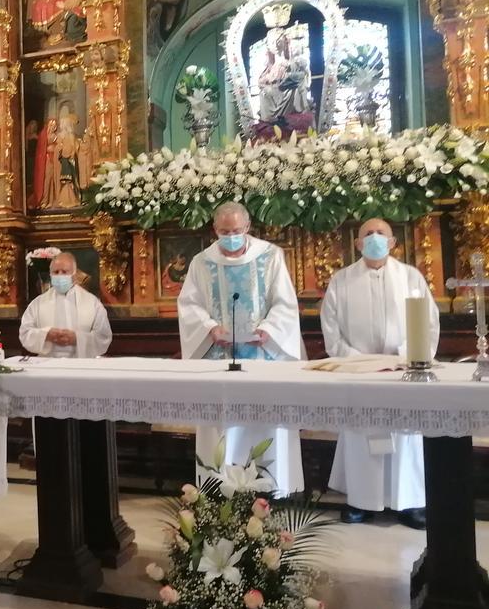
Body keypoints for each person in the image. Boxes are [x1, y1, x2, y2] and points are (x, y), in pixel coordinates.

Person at [177, 201, 304, 495]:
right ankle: (219, 488)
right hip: (217, 358)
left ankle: (269, 488)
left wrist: (269, 330)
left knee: (264, 421)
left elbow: (285, 302)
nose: (231, 236)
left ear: (247, 228)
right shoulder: (201, 262)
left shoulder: (270, 256)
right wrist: (210, 328)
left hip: (263, 357)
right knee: (223, 426)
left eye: (236, 230)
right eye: (224, 231)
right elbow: (189, 305)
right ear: (215, 230)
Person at [321, 218, 437, 529]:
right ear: (357, 244)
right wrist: (358, 360)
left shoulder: (411, 278)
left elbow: (427, 324)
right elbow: (331, 329)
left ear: (393, 242)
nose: (374, 238)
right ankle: (361, 500)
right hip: (359, 373)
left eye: (380, 233)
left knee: (406, 437)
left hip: (401, 369)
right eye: (367, 234)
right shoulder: (342, 281)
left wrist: (403, 356)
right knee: (361, 435)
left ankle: (409, 502)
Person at [19, 252, 112, 359]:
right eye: (56, 272)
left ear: (74, 273)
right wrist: (46, 335)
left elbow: (103, 336)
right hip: (48, 364)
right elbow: (25, 333)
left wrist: (77, 338)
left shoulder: (92, 303)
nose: (60, 275)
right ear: (50, 275)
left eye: (64, 272)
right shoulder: (38, 303)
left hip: (81, 364)